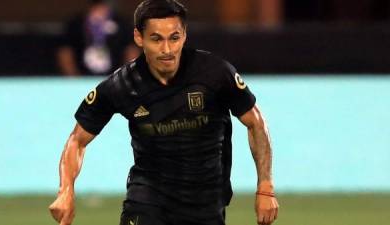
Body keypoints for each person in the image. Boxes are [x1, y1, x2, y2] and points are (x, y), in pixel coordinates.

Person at [49, 0, 279, 225]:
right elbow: (77, 140)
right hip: (147, 200)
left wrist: (265, 187)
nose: (167, 49)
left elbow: (255, 123)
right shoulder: (121, 85)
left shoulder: (215, 73)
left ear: (184, 35)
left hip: (206, 202)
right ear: (139, 38)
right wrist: (66, 190)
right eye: (156, 39)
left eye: (174, 38)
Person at [57, 0, 139, 76]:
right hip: (82, 78)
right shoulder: (75, 24)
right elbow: (65, 52)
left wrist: (125, 77)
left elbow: (131, 51)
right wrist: (74, 79)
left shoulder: (122, 23)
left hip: (113, 78)